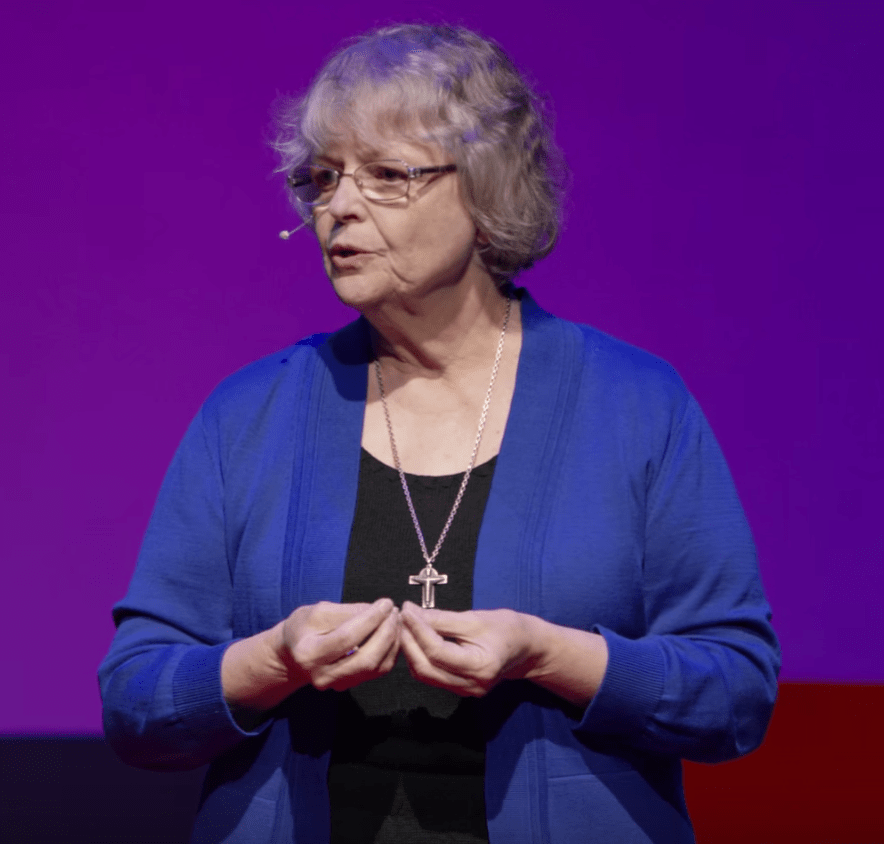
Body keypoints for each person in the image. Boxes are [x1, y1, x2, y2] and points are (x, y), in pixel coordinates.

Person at [99, 23, 780, 844]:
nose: (339, 206)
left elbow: (736, 694)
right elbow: (136, 699)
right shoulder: (249, 414)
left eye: (388, 175)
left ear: (487, 192)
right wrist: (273, 661)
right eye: (323, 178)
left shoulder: (635, 405)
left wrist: (546, 654)